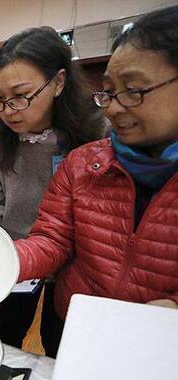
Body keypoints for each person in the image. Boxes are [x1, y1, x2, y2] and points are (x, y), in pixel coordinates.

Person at [15, 5, 178, 356]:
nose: (114, 108)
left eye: (133, 89)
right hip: (74, 324)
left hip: (156, 348)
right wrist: (5, 260)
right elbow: (52, 238)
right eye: (108, 92)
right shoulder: (83, 163)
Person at [0, 27, 105, 356]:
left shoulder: (95, 139)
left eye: (21, 96)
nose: (8, 110)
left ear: (59, 83)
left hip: (75, 265)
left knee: (58, 340)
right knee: (8, 330)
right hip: (18, 258)